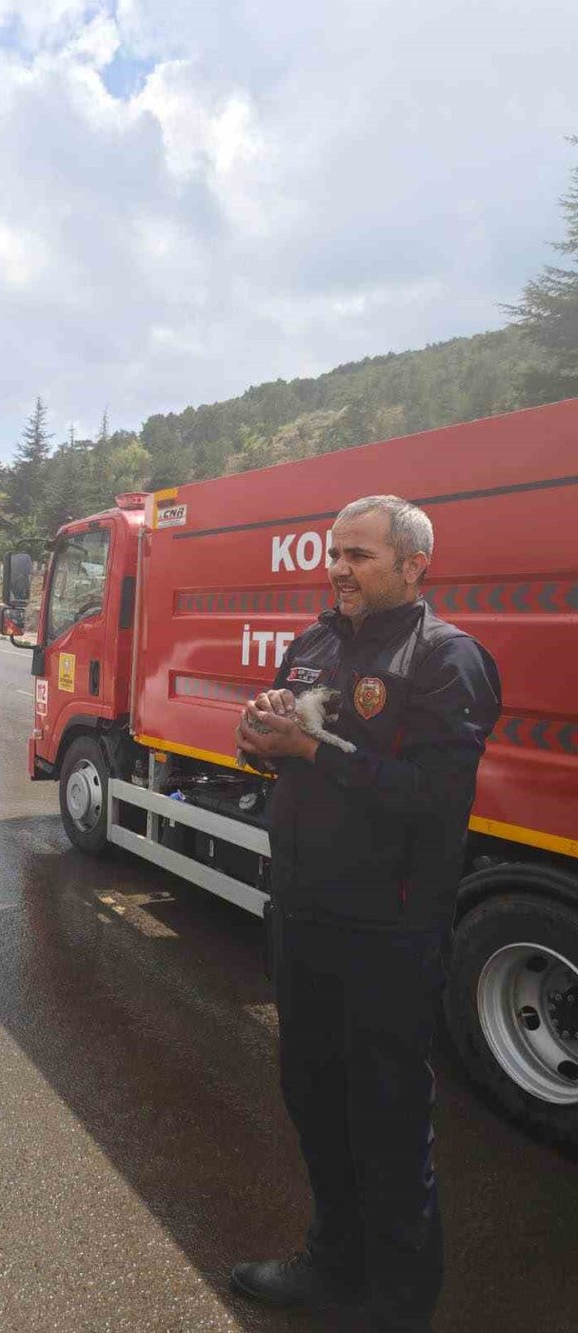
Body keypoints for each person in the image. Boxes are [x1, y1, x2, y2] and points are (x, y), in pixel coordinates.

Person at [232, 495, 501, 1332]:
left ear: (415, 566)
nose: (339, 568)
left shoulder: (449, 660)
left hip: (389, 930)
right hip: (303, 914)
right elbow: (277, 756)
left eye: (361, 556)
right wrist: (259, 731)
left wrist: (312, 749)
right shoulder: (312, 644)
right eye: (335, 553)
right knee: (312, 1094)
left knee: (385, 1117)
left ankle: (395, 1304)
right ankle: (330, 1260)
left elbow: (432, 801)